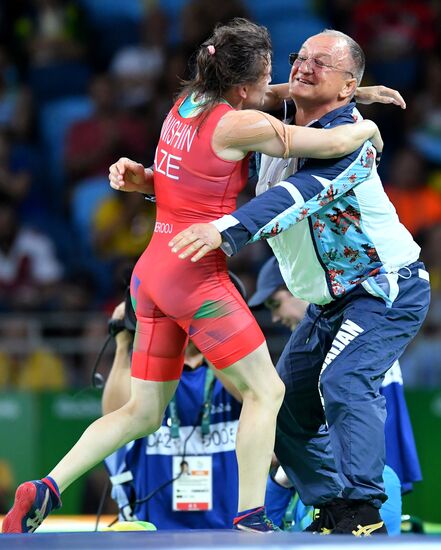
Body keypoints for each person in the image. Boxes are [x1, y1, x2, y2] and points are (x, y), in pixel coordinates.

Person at [2, 18, 382, 535]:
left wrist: (145, 181)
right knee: (265, 393)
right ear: (244, 86)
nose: (281, 80)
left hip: (152, 272)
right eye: (269, 73)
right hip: (194, 277)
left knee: (142, 411)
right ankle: (251, 518)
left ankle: (45, 486)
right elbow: (320, 145)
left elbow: (201, 169)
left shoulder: (183, 107)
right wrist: (365, 124)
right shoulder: (239, 125)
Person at [168, 29, 431, 536]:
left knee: (343, 380)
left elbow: (293, 195)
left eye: (320, 63)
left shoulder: (351, 142)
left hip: (385, 289)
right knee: (280, 404)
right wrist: (155, 184)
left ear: (347, 86)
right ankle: (332, 505)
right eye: (299, 58)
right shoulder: (277, 125)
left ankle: (364, 509)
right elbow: (251, 105)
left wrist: (225, 230)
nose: (303, 67)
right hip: (327, 304)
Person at [250, 256, 422, 535]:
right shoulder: (336, 351)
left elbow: (372, 426)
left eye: (276, 303)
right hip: (333, 481)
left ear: (299, 288)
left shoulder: (358, 351)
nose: (275, 318)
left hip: (363, 481)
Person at [103, 275, 246, 529]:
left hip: (229, 530)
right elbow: (113, 416)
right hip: (156, 532)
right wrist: (123, 342)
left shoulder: (228, 374)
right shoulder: (152, 373)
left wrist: (211, 326)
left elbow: (246, 393)